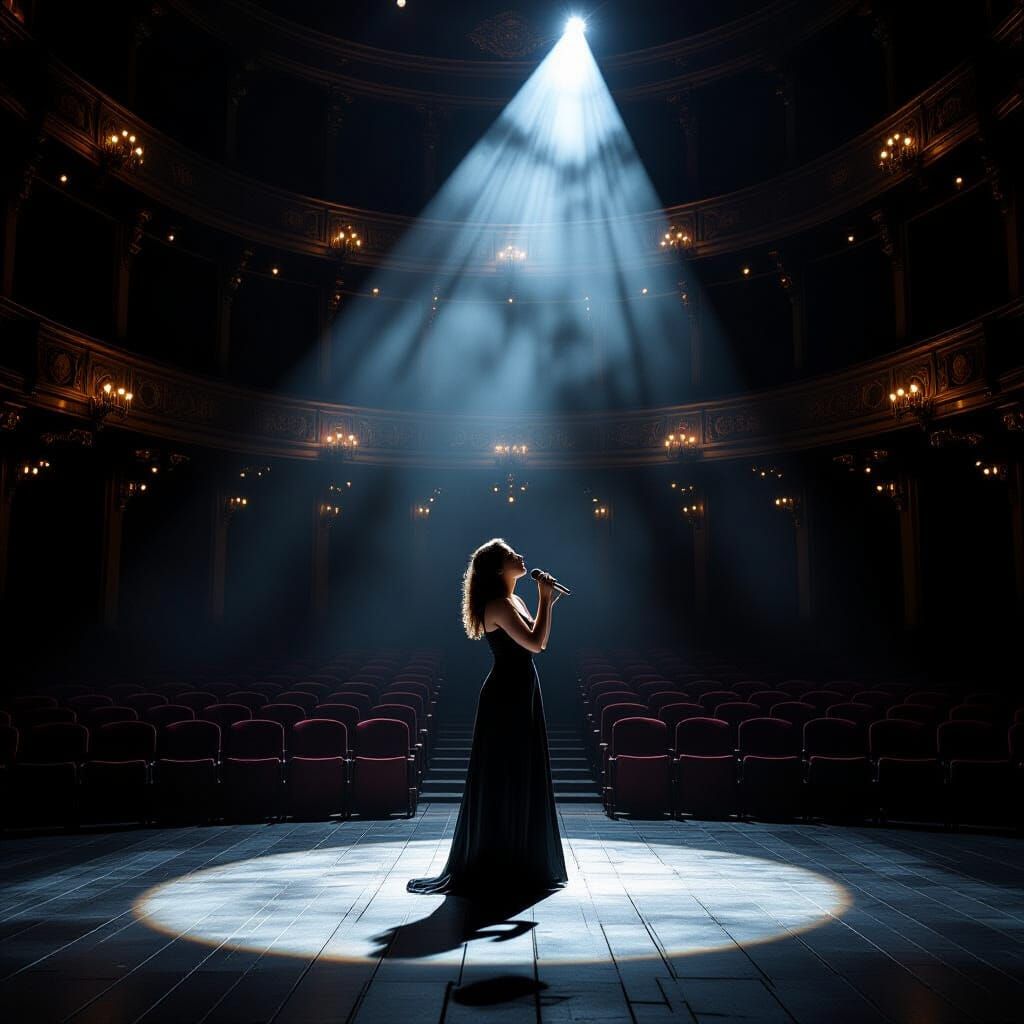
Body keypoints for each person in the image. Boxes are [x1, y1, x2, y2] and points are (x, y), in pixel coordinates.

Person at [406, 537, 569, 897]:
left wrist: (546, 603)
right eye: (513, 555)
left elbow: (538, 639)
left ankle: (521, 857)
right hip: (505, 696)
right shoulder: (497, 604)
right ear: (499, 568)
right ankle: (501, 859)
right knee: (504, 775)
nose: (521, 555)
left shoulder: (516, 599)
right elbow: (536, 644)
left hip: (522, 689)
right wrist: (545, 600)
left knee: (522, 771)